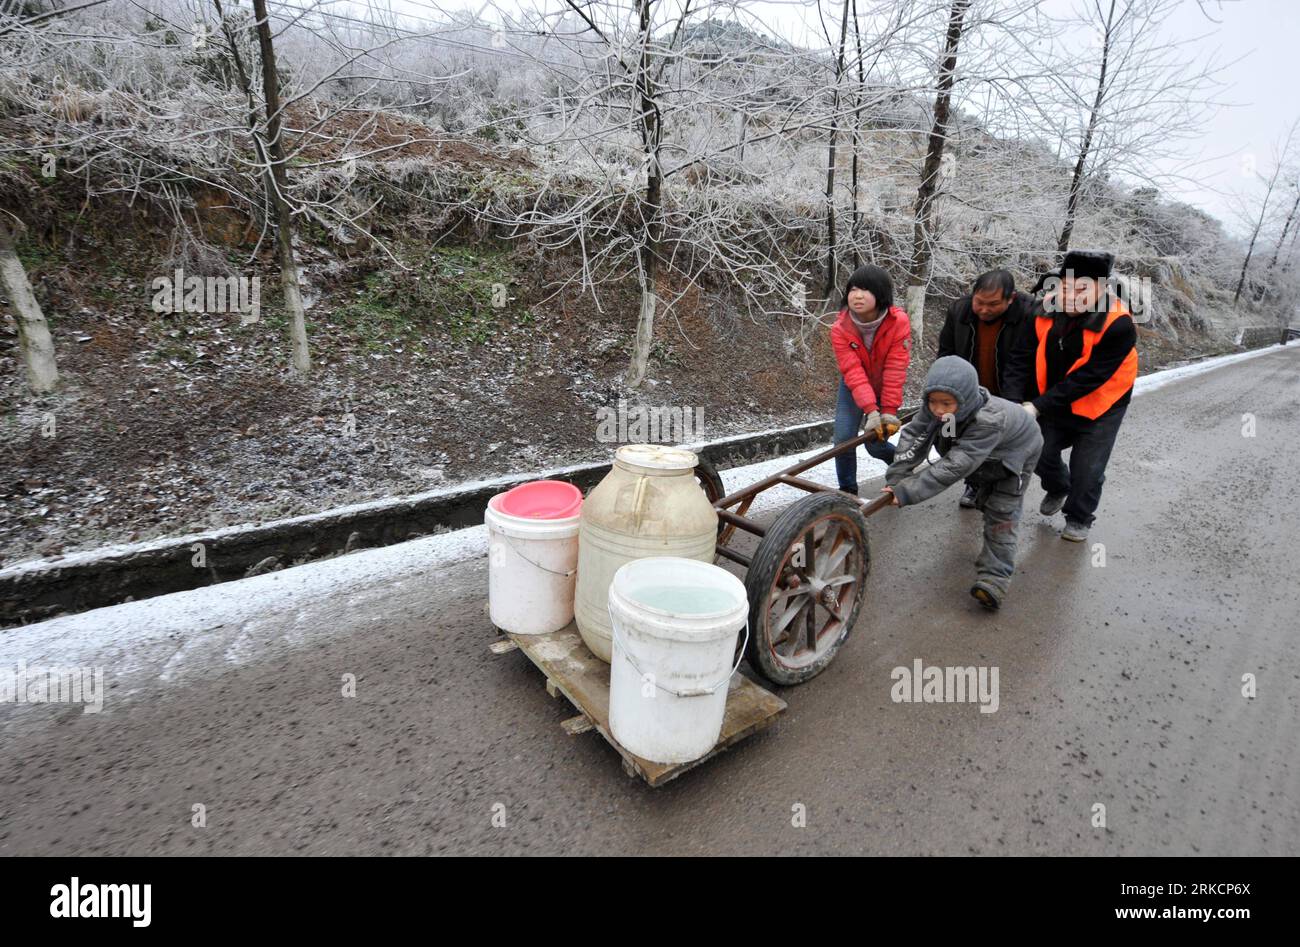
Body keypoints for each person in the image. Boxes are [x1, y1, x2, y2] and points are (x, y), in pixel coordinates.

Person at [882, 356, 1044, 610]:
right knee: (981, 483)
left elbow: (958, 464)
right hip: (979, 451)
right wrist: (897, 479)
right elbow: (915, 435)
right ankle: (982, 491)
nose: (937, 409)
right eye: (933, 402)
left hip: (1016, 454)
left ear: (966, 399)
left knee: (1001, 513)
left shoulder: (989, 420)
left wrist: (908, 492)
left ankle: (995, 578)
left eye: (946, 403)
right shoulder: (935, 406)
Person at [1022, 249, 1138, 543]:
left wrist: (1038, 406)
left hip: (1102, 402)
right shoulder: (1044, 309)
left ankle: (1079, 516)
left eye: (1083, 289)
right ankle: (1059, 485)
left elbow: (1090, 377)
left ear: (1102, 289)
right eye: (1066, 286)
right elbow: (1023, 356)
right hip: (1056, 397)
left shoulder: (1118, 324)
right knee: (1038, 450)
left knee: (1088, 467)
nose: (1072, 295)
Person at [936, 268, 1038, 508]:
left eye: (992, 304)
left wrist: (1013, 404)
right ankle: (974, 482)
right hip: (968, 395)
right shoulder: (959, 311)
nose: (983, 309)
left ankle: (996, 490)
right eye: (979, 302)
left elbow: (1021, 362)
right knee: (951, 440)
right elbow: (946, 353)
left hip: (1007, 394)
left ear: (1010, 298)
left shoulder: (1029, 314)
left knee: (996, 446)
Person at [830, 264, 911, 495]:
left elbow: (895, 368)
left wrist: (887, 411)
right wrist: (870, 411)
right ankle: (847, 492)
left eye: (865, 290)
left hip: (885, 384)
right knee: (843, 440)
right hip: (854, 387)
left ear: (881, 293)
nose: (857, 295)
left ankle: (902, 468)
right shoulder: (840, 328)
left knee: (875, 444)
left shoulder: (898, 322)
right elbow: (852, 371)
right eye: (853, 289)